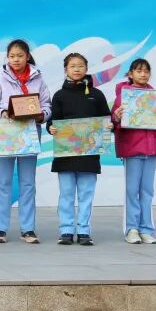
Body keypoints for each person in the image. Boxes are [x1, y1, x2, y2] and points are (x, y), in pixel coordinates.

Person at [0, 39, 51, 244]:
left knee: (28, 183)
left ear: (28, 56)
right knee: (3, 182)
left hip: (29, 135)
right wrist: (3, 111)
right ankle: (0, 229)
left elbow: (47, 105)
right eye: (12, 56)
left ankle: (28, 229)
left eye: (20, 56)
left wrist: (42, 115)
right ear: (7, 57)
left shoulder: (38, 78)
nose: (16, 59)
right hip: (5, 135)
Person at [111, 58, 156, 245]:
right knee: (132, 190)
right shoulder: (123, 96)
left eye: (146, 71)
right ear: (130, 74)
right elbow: (113, 122)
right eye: (138, 71)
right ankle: (131, 229)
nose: (143, 74)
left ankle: (146, 229)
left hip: (151, 150)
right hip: (132, 150)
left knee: (147, 191)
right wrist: (116, 117)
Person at [48, 53, 111, 246]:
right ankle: (66, 230)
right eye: (72, 66)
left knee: (86, 195)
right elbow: (53, 120)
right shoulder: (59, 95)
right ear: (66, 69)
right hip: (65, 155)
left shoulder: (96, 95)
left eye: (80, 66)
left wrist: (109, 126)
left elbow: (106, 118)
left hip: (89, 155)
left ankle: (84, 231)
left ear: (86, 68)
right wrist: (51, 128)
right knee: (66, 195)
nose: (77, 69)